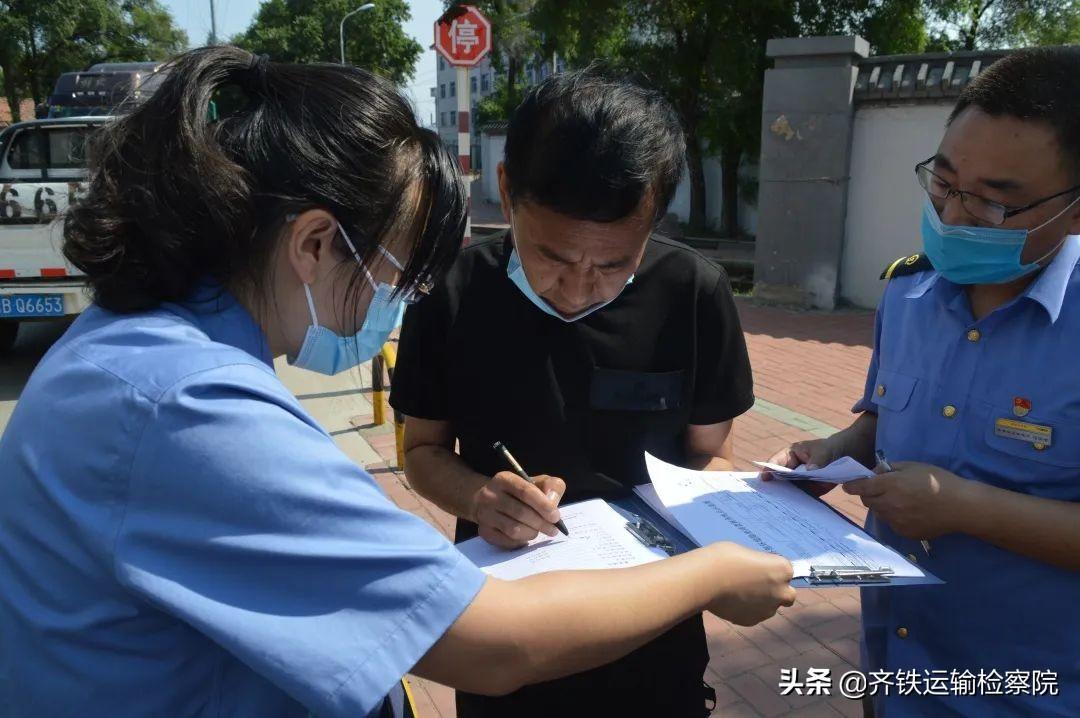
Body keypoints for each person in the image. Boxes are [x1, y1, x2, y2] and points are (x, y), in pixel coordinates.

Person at [0, 47, 797, 718]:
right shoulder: (187, 404)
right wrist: (716, 569)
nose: (404, 296)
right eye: (396, 267)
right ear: (315, 244)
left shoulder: (144, 355)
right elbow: (495, 642)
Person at [390, 67, 760, 717]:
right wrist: (480, 496)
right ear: (507, 194)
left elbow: (712, 456)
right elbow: (420, 451)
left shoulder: (694, 293)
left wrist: (702, 532)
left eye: (614, 264)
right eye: (553, 257)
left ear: (654, 216)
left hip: (653, 639)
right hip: (507, 643)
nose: (580, 287)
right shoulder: (451, 291)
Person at [768, 46, 1080, 716]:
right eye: (943, 184)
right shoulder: (908, 295)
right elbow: (882, 418)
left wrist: (968, 509)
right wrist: (833, 450)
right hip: (896, 672)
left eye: (995, 203)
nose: (956, 215)